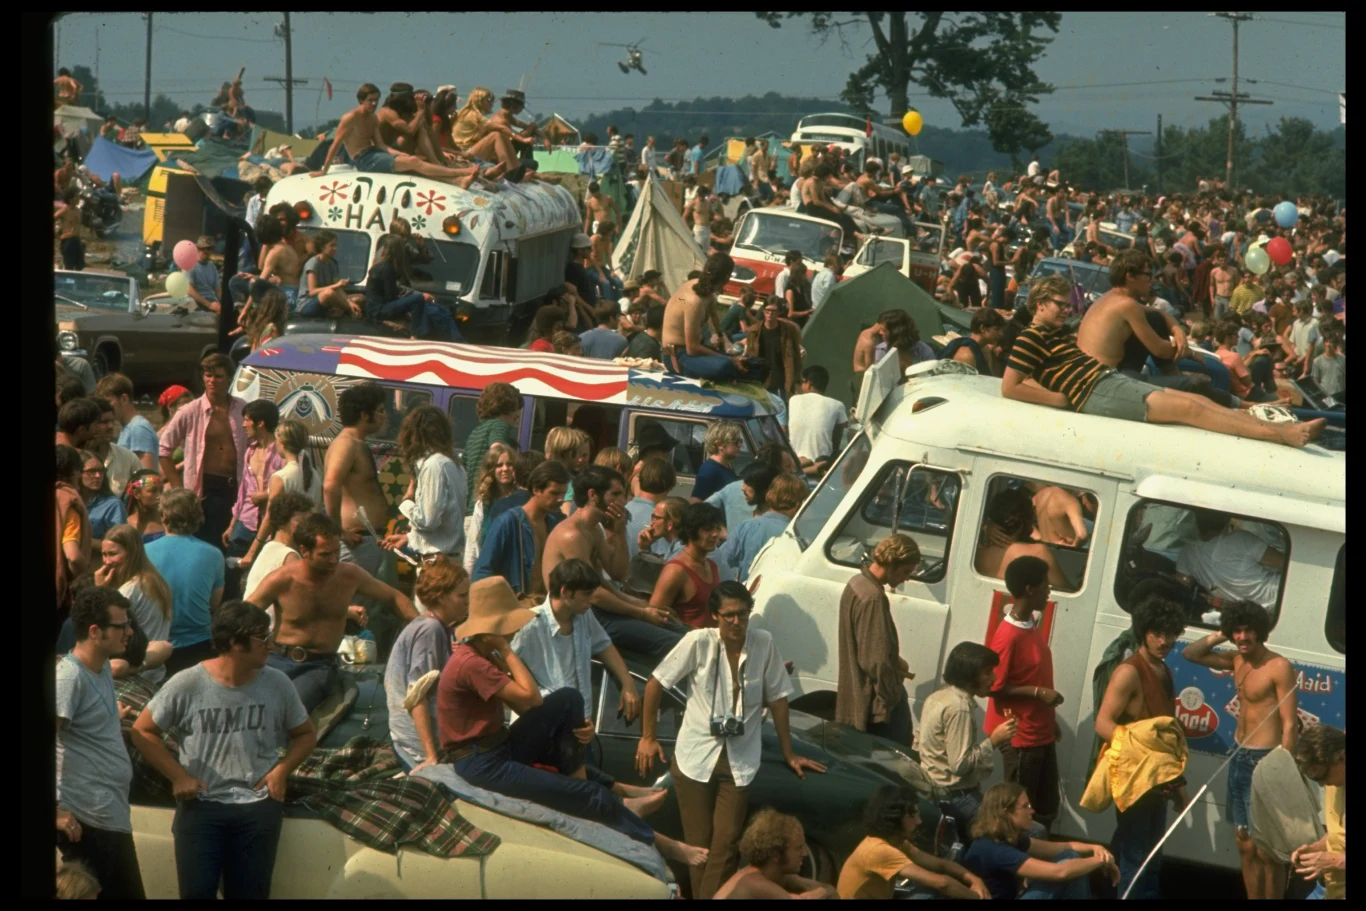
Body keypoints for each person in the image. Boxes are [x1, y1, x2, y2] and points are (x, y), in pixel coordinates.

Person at [437, 577, 703, 862]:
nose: (513, 632)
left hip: (495, 747)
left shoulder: (480, 656)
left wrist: (573, 729)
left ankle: (615, 790)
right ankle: (663, 844)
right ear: (493, 631)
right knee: (585, 794)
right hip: (481, 762)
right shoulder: (474, 663)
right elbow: (532, 699)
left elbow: (528, 708)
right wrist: (506, 650)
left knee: (568, 698)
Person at [637, 582, 826, 899]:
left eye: (743, 615)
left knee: (726, 843)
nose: (736, 623)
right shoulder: (697, 642)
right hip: (696, 756)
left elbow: (779, 700)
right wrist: (647, 737)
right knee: (699, 846)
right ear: (714, 616)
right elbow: (656, 683)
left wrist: (789, 753)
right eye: (729, 616)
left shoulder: (763, 643)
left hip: (740, 758)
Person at [130, 601, 316, 900]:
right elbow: (142, 730)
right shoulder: (188, 683)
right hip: (202, 808)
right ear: (234, 643)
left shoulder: (278, 683)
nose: (271, 645)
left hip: (257, 809)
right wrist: (178, 777)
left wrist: (282, 770)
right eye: (262, 639)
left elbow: (306, 734)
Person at [1003, 276, 1325, 447]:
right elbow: (1010, 387)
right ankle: (1283, 436)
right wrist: (1057, 399)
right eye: (1060, 305)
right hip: (1095, 391)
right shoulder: (1030, 337)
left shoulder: (1053, 335)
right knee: (1191, 410)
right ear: (1040, 304)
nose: (1066, 310)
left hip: (1105, 381)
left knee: (1197, 398)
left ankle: (1282, 427)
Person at [1181, 600, 1298, 899]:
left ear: (1261, 632)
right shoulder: (1236, 660)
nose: (1243, 637)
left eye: (1249, 631)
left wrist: (1283, 769)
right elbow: (1190, 653)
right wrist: (1223, 632)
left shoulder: (1279, 666)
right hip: (1238, 755)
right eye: (1238, 631)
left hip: (1265, 760)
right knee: (1244, 842)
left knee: (1266, 849)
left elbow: (1289, 724)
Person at [245, 513, 415, 711]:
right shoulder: (282, 579)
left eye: (336, 552)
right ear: (304, 551)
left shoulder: (348, 575)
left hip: (319, 666)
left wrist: (423, 626)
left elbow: (394, 597)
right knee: (250, 706)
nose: (333, 560)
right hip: (276, 660)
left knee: (288, 708)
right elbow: (243, 615)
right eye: (325, 555)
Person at [1094, 594, 1190, 901]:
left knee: (1146, 854)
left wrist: (1175, 784)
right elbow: (1103, 724)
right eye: (1157, 634)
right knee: (1137, 856)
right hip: (1134, 778)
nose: (1164, 641)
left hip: (1158, 781)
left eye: (1170, 634)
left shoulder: (1162, 669)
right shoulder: (1129, 671)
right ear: (1143, 632)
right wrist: (1138, 752)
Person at [542, 465, 687, 657]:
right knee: (678, 644)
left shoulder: (592, 529)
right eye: (616, 494)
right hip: (583, 614)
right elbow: (593, 594)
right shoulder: (572, 534)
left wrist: (618, 532)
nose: (623, 501)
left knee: (683, 631)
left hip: (597, 610)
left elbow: (618, 573)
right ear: (593, 495)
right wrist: (641, 612)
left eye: (623, 494)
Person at [56, 587, 145, 900]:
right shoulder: (70, 678)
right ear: (95, 631)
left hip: (110, 817)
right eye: (122, 626)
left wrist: (110, 720)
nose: (130, 631)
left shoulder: (103, 666)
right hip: (85, 822)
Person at [985, 555, 1065, 834]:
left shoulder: (1030, 624)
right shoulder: (1008, 636)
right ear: (1030, 590)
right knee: (1019, 813)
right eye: (1046, 586)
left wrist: (1049, 719)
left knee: (1046, 807)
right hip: (1022, 737)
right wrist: (1037, 693)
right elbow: (993, 687)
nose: (1049, 592)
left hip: (1040, 732)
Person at [918, 641, 1019, 840]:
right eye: (987, 672)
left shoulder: (939, 696)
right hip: (956, 797)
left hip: (936, 790)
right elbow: (960, 765)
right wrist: (994, 740)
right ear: (969, 676)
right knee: (1025, 831)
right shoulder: (960, 707)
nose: (994, 678)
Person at [312, 83, 490, 186]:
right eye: (369, 101)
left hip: (376, 154)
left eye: (375, 100)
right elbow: (336, 144)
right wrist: (324, 170)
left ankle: (458, 182)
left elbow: (381, 145)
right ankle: (463, 172)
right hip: (363, 159)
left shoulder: (373, 118)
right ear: (360, 100)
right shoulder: (350, 118)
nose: (373, 104)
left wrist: (399, 154)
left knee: (412, 165)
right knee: (414, 162)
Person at [963, 782, 1118, 900]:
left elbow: (1064, 846)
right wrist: (1100, 861)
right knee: (1068, 872)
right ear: (1006, 813)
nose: (1032, 810)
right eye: (1025, 806)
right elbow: (1059, 873)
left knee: (1069, 855)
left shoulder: (1008, 837)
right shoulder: (995, 849)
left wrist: (1094, 847)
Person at [385, 558, 470, 773]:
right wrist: (431, 756)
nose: (468, 601)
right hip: (416, 742)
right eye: (462, 595)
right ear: (441, 598)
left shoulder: (441, 628)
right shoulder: (430, 629)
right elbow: (417, 694)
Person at [835, 534, 920, 745]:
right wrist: (891, 695)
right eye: (905, 571)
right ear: (891, 565)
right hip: (876, 698)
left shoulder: (857, 583)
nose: (906, 579)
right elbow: (875, 660)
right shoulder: (872, 597)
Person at [158, 353, 248, 550]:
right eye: (208, 376)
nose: (212, 381)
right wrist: (179, 489)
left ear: (230, 378)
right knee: (206, 544)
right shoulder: (190, 411)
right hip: (204, 489)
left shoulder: (242, 409)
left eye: (218, 376)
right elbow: (164, 450)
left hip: (236, 486)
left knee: (233, 545)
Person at [837, 785, 990, 900]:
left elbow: (940, 864)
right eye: (913, 816)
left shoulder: (897, 842)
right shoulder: (879, 850)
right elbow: (941, 883)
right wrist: (977, 897)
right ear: (894, 818)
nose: (919, 821)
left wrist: (974, 879)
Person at [146, 489, 225, 677]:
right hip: (198, 646)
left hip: (152, 646)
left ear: (164, 516)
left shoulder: (143, 552)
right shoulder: (214, 554)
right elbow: (214, 604)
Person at [322, 383, 394, 584]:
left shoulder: (357, 443)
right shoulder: (346, 444)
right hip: (357, 542)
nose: (384, 416)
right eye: (379, 411)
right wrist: (338, 531)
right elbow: (330, 486)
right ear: (364, 415)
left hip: (370, 541)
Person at [472, 459, 568, 597]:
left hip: (543, 608)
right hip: (514, 608)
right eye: (554, 493)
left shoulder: (553, 524)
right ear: (536, 489)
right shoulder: (507, 522)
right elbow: (482, 572)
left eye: (563, 494)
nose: (561, 499)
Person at [95, 524, 175, 683]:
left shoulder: (129, 590)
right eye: (104, 554)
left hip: (133, 677)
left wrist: (100, 591)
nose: (107, 561)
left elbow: (100, 629)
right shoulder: (155, 580)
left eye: (113, 554)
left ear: (132, 553)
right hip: (155, 673)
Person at [396, 404, 468, 578]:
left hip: (437, 566)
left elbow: (428, 520)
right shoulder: (454, 465)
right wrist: (410, 539)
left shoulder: (433, 465)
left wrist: (407, 502)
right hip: (449, 561)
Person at [662, 253, 753, 382]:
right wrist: (728, 359)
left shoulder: (703, 288)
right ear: (727, 277)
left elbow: (714, 318)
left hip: (690, 351)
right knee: (726, 366)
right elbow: (692, 349)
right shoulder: (694, 301)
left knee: (745, 362)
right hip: (678, 356)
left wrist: (724, 342)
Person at [714, 809, 837, 899]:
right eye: (798, 848)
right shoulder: (753, 883)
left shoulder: (776, 875)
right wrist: (819, 893)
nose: (804, 853)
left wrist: (820, 892)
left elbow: (831, 890)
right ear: (776, 855)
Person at [1175, 511, 1283, 611]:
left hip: (1247, 610)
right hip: (1279, 597)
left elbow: (1181, 585)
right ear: (1225, 519)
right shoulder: (1240, 539)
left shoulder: (1187, 552)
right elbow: (1285, 563)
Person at [364, 234, 460, 340]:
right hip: (379, 310)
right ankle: (416, 334)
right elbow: (390, 297)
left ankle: (455, 339)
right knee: (419, 298)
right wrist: (406, 307)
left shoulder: (380, 265)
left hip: (375, 308)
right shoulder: (387, 269)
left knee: (439, 310)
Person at [712, 472, 803, 583]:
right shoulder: (798, 534)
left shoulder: (746, 526)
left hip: (745, 593)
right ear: (799, 503)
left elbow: (720, 560)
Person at [1289, 724, 1346, 901]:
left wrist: (1335, 861)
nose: (1321, 785)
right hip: (1330, 889)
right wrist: (1315, 848)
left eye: (1322, 776)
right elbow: (1338, 835)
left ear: (1342, 758)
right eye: (1315, 779)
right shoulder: (1335, 781)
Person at [223, 399, 283, 559]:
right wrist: (231, 525)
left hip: (271, 528)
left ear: (261, 423)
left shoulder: (281, 454)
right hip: (245, 523)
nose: (244, 425)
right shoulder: (250, 451)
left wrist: (265, 495)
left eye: (247, 420)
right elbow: (243, 490)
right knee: (230, 571)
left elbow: (292, 487)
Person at [651, 503, 725, 629]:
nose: (714, 534)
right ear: (691, 531)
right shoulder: (675, 571)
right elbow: (655, 615)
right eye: (707, 529)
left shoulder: (711, 566)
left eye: (717, 528)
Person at [241, 492, 313, 616]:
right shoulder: (290, 556)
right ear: (282, 522)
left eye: (308, 521)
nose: (306, 527)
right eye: (300, 521)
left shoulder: (269, 547)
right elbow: (302, 602)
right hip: (268, 629)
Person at [462, 442, 518, 573]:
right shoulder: (484, 504)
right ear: (491, 470)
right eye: (499, 465)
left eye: (509, 464)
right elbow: (473, 545)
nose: (505, 469)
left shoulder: (521, 500)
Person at [463, 382, 522, 502]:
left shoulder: (475, 433)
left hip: (471, 506)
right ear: (507, 405)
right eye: (516, 407)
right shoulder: (499, 425)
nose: (518, 414)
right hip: (489, 505)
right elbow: (498, 452)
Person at [787, 365, 847, 475]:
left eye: (802, 382)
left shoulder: (793, 400)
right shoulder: (838, 405)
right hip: (822, 461)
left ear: (809, 384)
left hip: (795, 462)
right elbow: (836, 442)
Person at [746, 296, 804, 399]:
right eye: (768, 310)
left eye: (773, 311)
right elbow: (750, 355)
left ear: (778, 312)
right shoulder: (754, 331)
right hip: (760, 379)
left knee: (781, 410)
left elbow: (796, 356)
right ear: (764, 311)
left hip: (781, 379)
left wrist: (796, 379)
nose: (770, 314)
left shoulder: (788, 331)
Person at [76, 449, 126, 548]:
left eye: (101, 471)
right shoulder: (69, 500)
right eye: (91, 471)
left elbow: (119, 544)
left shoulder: (113, 505)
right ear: (77, 473)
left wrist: (80, 541)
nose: (98, 476)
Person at [943, 308, 1006, 377]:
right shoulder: (966, 355)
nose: (1000, 334)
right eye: (996, 329)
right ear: (983, 328)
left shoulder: (985, 349)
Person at [690, 422, 743, 502]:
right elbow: (695, 502)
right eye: (736, 441)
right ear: (719, 445)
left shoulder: (726, 466)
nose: (739, 445)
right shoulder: (709, 470)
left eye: (740, 441)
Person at [122, 469, 166, 543]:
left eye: (161, 491)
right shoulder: (126, 525)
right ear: (136, 494)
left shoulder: (168, 520)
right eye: (152, 491)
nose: (159, 496)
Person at [1311, 329, 1345, 398]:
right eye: (1326, 342)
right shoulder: (1317, 361)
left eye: (1331, 342)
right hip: (1326, 396)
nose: (1328, 345)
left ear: (1336, 344)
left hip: (1341, 395)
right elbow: (1315, 381)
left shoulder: (1343, 359)